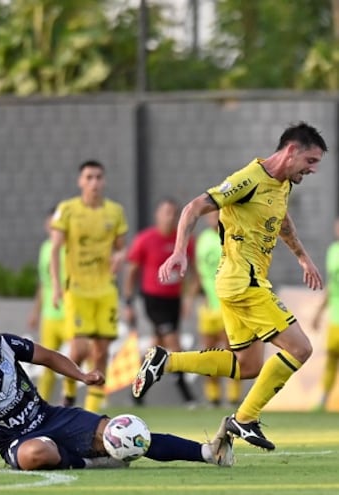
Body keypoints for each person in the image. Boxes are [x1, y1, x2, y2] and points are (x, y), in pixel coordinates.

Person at [132, 122, 328, 451]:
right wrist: (180, 250)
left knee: (247, 366)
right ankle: (246, 418)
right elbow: (193, 207)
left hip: (238, 283)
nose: (312, 170)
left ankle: (165, 361)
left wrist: (303, 258)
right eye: (310, 161)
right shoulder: (248, 179)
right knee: (301, 349)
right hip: (243, 282)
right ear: (291, 151)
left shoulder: (282, 184)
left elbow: (281, 221)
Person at [0, 311, 235, 471]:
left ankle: (207, 452)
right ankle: (94, 461)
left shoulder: (2, 344)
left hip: (51, 416)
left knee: (126, 432)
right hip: (16, 440)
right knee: (34, 456)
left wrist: (81, 376)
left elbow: (46, 355)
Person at [50, 160, 128, 412]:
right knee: (80, 348)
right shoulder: (67, 210)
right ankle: (70, 392)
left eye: (98, 177)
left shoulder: (115, 211)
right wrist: (56, 286)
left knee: (102, 352)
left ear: (103, 181)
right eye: (89, 177)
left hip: (105, 290)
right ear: (80, 181)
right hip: (78, 289)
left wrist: (120, 256)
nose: (94, 182)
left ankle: (92, 412)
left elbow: (121, 247)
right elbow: (54, 249)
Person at [122, 197, 196, 405]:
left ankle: (136, 392)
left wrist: (189, 297)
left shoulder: (184, 241)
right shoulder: (145, 239)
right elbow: (131, 271)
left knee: (157, 348)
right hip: (153, 300)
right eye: (166, 212)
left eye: (174, 213)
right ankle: (186, 394)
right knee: (174, 344)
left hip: (174, 299)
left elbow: (193, 272)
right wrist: (128, 302)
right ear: (157, 215)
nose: (170, 217)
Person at [194, 210, 241, 407]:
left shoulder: (231, 236)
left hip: (227, 304)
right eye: (211, 214)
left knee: (230, 351)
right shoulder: (202, 240)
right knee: (208, 351)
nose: (214, 218)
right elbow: (199, 271)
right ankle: (213, 396)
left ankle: (233, 396)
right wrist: (193, 296)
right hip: (208, 305)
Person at [27, 206, 71, 402]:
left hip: (71, 313)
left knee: (76, 359)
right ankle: (41, 404)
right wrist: (35, 312)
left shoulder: (70, 248)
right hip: (50, 316)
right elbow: (43, 283)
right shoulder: (45, 249)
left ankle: (73, 400)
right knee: (46, 364)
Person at [311, 217, 339, 410]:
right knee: (331, 358)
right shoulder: (332, 252)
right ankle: (323, 399)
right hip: (335, 317)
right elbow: (331, 286)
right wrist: (319, 313)